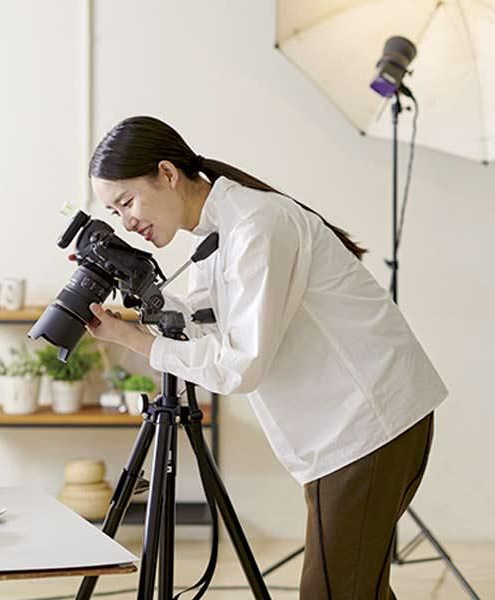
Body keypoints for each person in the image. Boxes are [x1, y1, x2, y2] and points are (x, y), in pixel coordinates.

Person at [84, 116, 447, 599]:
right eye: (115, 213)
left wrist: (135, 342)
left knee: (333, 591)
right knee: (358, 587)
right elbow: (204, 324)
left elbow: (240, 365)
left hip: (369, 424)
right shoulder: (215, 236)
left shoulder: (257, 224)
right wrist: (141, 297)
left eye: (127, 202)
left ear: (167, 174)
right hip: (350, 430)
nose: (127, 222)